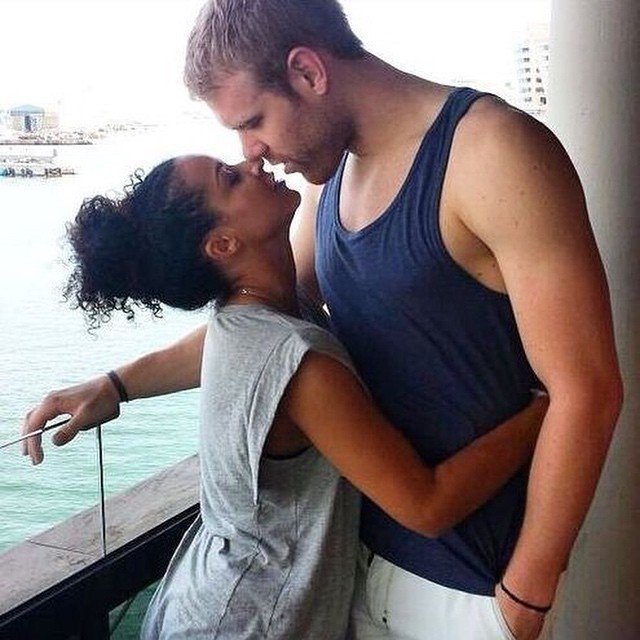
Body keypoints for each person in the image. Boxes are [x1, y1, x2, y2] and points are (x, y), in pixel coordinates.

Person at [22, 1, 623, 639]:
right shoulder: (326, 178)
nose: (252, 153)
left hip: (467, 585)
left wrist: (525, 597)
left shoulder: (492, 153)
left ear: (308, 72)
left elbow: (588, 391)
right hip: (348, 569)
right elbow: (262, 333)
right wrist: (116, 385)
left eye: (253, 122)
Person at [58, 154, 545, 639]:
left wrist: (115, 385)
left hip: (206, 597)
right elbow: (426, 505)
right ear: (223, 244)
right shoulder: (302, 367)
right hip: (248, 624)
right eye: (230, 178)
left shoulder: (249, 318)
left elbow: (222, 349)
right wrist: (546, 406)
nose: (251, 163)